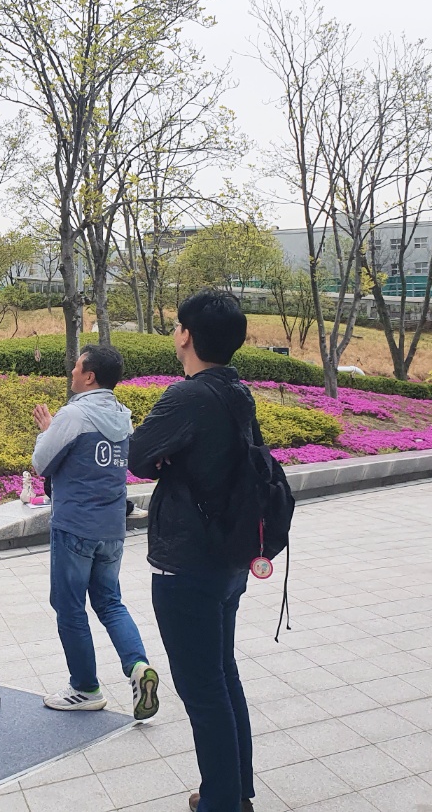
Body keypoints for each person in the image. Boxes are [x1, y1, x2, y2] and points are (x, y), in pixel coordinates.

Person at [128, 290, 259, 812]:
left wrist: (167, 458)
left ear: (185, 334)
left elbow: (138, 455)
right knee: (222, 676)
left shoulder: (186, 396)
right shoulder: (237, 392)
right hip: (228, 556)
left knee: (202, 690)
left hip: (187, 563)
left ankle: (221, 802)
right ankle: (234, 792)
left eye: (176, 326)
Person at [31, 343, 160, 720]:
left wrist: (48, 431)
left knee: (68, 605)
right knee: (109, 601)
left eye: (77, 368)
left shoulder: (74, 414)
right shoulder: (122, 416)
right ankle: (138, 666)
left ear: (89, 376)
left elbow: (41, 463)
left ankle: (85, 687)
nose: (72, 372)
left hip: (74, 526)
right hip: (112, 528)